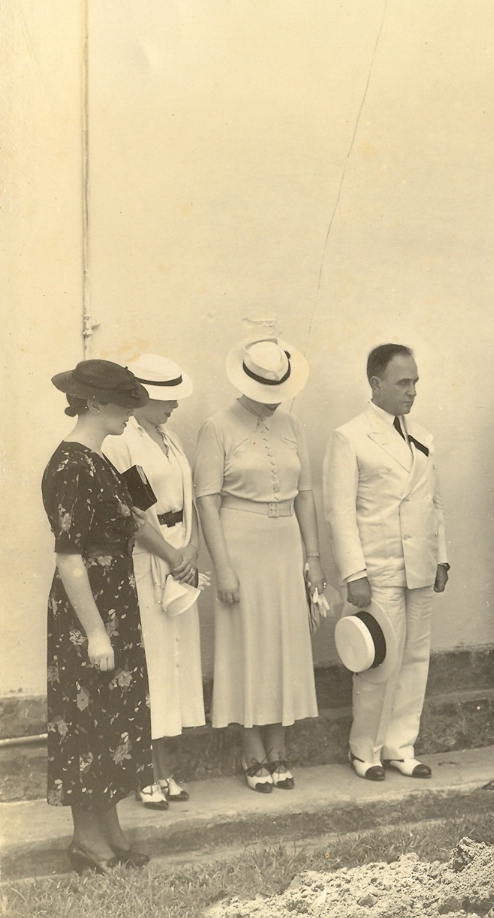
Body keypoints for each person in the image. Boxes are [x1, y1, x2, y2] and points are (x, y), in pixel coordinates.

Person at [196, 338, 323, 793]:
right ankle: (252, 749)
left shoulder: (292, 426)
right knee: (247, 645)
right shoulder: (217, 427)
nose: (273, 404)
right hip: (240, 543)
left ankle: (278, 745)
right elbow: (207, 502)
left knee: (283, 643)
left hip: (285, 544)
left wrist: (313, 557)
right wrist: (222, 566)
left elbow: (305, 494)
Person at [43, 360, 154, 873]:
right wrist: (95, 634)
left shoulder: (100, 460)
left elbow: (132, 520)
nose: (131, 412)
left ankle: (110, 833)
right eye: (122, 401)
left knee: (113, 721)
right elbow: (68, 557)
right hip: (88, 617)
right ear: (93, 403)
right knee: (86, 723)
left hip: (115, 605)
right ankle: (87, 842)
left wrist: (175, 556)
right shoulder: (70, 465)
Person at [324, 344, 451, 782]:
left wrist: (442, 559)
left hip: (418, 563)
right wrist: (354, 573)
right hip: (376, 569)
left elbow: (434, 504)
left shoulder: (423, 437)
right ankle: (366, 750)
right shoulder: (350, 437)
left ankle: (401, 746)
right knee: (380, 661)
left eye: (415, 381)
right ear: (375, 384)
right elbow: (339, 512)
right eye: (403, 382)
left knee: (415, 659)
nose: (412, 391)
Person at [101, 355, 204, 811]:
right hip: (149, 558)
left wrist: (191, 551)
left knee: (177, 665)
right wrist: (171, 555)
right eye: (166, 398)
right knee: (153, 666)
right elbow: (137, 514)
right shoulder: (123, 443)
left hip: (180, 555)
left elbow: (189, 500)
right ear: (139, 396)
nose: (174, 406)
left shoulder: (171, 438)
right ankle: (145, 772)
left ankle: (166, 768)